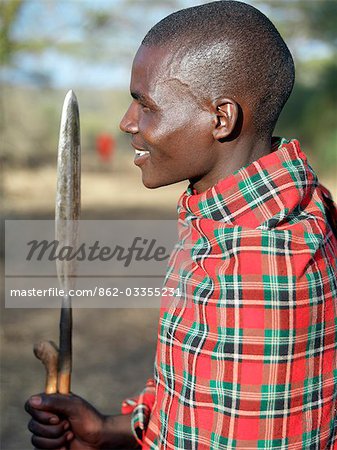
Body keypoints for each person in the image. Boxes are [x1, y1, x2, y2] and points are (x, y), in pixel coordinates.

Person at [25, 1, 337, 449]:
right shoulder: (238, 215)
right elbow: (196, 400)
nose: (127, 122)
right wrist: (105, 431)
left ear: (221, 119)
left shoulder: (258, 274)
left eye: (145, 105)